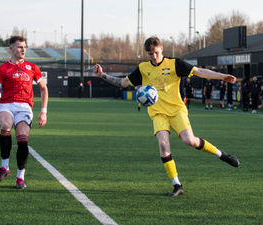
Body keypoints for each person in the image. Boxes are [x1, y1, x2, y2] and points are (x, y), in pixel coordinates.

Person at [93, 36, 240, 197]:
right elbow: (123, 83)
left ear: (161, 48)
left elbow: (199, 71)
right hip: (158, 113)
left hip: (177, 110)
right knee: (163, 145)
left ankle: (221, 154)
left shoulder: (175, 64)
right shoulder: (143, 68)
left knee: (189, 141)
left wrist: (221, 76)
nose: (154, 57)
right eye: (150, 54)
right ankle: (177, 185)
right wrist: (102, 75)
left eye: (156, 53)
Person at [0, 36, 48, 189]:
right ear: (11, 49)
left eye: (24, 46)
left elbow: (44, 89)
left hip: (25, 107)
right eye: (19, 47)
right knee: (5, 126)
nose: (23, 49)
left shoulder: (32, 68)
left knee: (22, 138)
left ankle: (20, 177)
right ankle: (4, 167)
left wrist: (43, 112)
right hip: (6, 105)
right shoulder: (3, 68)